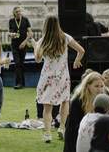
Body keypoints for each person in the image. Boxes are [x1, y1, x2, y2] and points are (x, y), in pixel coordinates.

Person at [30, 15, 85, 143]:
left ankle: (48, 134)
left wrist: (35, 46)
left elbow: (37, 60)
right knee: (65, 101)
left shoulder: (43, 40)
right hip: (63, 76)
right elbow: (81, 50)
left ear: (45, 25)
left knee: (47, 108)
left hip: (47, 77)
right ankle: (61, 128)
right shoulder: (65, 37)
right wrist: (77, 60)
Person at [64, 71, 105, 152]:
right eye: (96, 86)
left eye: (102, 86)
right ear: (88, 86)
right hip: (76, 135)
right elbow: (74, 124)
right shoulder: (78, 100)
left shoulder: (103, 99)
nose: (100, 89)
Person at [8, 6, 32, 89]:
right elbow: (10, 32)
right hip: (14, 45)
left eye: (19, 11)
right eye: (17, 12)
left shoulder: (25, 20)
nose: (18, 13)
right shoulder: (11, 21)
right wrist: (11, 34)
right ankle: (19, 83)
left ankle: (22, 83)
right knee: (17, 63)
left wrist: (25, 42)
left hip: (23, 45)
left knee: (21, 64)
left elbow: (30, 33)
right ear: (14, 13)